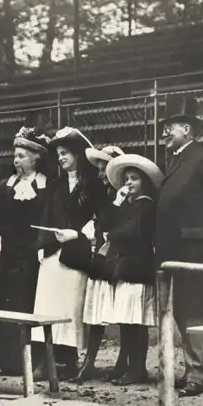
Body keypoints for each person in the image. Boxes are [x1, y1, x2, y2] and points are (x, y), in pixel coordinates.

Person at [155, 94, 203, 397]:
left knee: (194, 310)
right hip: (175, 250)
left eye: (170, 126)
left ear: (187, 129)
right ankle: (191, 369)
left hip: (195, 248)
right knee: (180, 310)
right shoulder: (178, 160)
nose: (165, 132)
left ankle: (199, 375)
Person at [31, 127, 103, 380]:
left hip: (75, 253)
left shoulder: (93, 185)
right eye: (59, 154)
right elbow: (46, 216)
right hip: (52, 251)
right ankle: (45, 361)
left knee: (70, 307)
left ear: (78, 155)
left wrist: (79, 235)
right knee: (47, 305)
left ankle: (69, 360)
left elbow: (99, 219)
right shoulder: (56, 185)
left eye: (65, 153)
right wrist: (41, 245)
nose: (61, 158)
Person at [0, 126, 52, 377]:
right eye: (15, 156)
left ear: (35, 158)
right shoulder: (6, 185)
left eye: (22, 156)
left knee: (29, 303)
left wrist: (41, 245)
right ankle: (6, 361)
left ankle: (30, 362)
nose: (17, 160)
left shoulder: (46, 187)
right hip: (10, 254)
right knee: (8, 304)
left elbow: (49, 217)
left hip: (33, 253)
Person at [103, 154, 164, 385]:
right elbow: (107, 222)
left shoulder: (146, 205)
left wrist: (111, 235)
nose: (129, 183)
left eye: (134, 179)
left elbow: (133, 231)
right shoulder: (128, 205)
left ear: (144, 182)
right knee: (126, 321)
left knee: (135, 321)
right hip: (126, 266)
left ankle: (137, 368)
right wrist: (117, 203)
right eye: (127, 178)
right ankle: (127, 365)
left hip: (138, 267)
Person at [75, 145, 130, 384]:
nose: (100, 175)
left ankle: (124, 361)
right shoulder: (102, 194)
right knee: (96, 310)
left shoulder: (127, 195)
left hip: (122, 256)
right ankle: (90, 361)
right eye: (98, 170)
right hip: (102, 254)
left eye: (104, 169)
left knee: (126, 313)